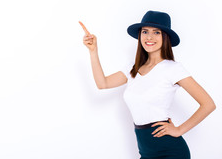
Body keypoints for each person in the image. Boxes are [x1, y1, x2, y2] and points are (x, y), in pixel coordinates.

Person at [79, 10, 216, 159]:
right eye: (145, 31)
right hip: (146, 152)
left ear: (165, 37)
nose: (149, 37)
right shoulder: (133, 68)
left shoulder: (172, 69)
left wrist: (179, 130)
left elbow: (208, 104)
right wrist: (93, 51)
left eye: (156, 32)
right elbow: (102, 83)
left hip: (171, 151)